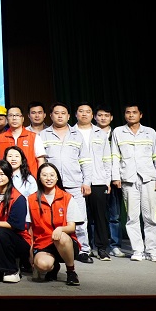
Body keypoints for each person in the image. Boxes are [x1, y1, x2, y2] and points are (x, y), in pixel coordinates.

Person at [111, 103, 156, 262]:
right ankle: (137, 250)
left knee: (151, 217)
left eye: (134, 112)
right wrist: (116, 177)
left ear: (140, 115)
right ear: (124, 115)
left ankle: (152, 251)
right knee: (132, 217)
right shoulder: (118, 132)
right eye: (128, 112)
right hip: (128, 179)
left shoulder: (150, 132)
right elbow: (115, 155)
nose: (131, 115)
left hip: (149, 178)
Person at [41, 102, 93, 263]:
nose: (60, 116)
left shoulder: (77, 135)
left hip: (75, 184)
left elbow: (85, 161)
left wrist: (87, 182)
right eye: (56, 113)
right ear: (51, 116)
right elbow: (41, 161)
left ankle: (84, 250)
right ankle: (53, 248)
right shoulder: (43, 135)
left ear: (69, 116)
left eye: (63, 113)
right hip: (51, 185)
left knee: (80, 218)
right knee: (51, 219)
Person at [29, 162, 81, 286]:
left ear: (57, 177)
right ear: (39, 178)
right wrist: (31, 253)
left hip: (65, 242)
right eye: (45, 175)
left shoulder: (67, 198)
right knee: (42, 265)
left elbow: (72, 227)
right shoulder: (31, 199)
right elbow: (30, 229)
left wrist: (61, 229)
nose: (49, 178)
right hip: (43, 243)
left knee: (61, 237)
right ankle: (53, 267)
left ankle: (71, 271)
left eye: (52, 175)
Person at [75, 102, 114, 260]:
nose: (84, 114)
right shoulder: (71, 132)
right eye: (81, 111)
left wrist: (107, 180)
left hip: (98, 181)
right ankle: (84, 248)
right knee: (80, 217)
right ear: (76, 114)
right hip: (77, 180)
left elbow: (107, 159)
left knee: (100, 216)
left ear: (92, 115)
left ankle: (102, 248)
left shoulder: (100, 134)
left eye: (88, 111)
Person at [95, 105, 124, 258]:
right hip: (96, 179)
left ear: (111, 118)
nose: (103, 118)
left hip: (114, 179)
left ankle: (115, 245)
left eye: (106, 115)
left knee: (115, 216)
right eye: (100, 115)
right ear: (95, 117)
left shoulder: (117, 134)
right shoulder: (91, 133)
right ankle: (94, 245)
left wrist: (116, 177)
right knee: (94, 215)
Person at [0, 105, 46, 175]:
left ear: (23, 118)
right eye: (11, 115)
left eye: (17, 115)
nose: (14, 118)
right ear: (7, 119)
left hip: (30, 178)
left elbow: (40, 161)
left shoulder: (34, 137)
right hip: (6, 178)